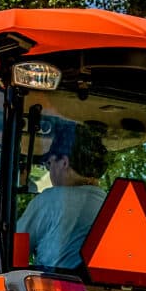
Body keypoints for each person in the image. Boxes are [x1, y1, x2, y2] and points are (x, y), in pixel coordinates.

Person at [16, 114, 108, 270]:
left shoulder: (50, 200)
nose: (50, 171)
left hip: (57, 289)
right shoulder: (109, 205)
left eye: (49, 164)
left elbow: (13, 254)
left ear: (64, 162)